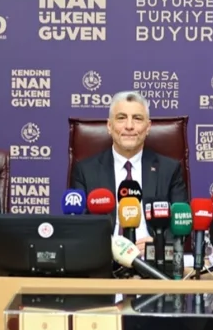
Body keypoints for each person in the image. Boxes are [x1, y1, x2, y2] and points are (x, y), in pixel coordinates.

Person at [69, 90, 188, 230]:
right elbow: (80, 227)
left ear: (148, 127)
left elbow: (180, 224)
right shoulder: (85, 171)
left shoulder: (170, 170)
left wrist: (155, 241)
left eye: (137, 118)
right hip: (105, 244)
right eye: (121, 118)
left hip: (152, 244)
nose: (129, 126)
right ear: (109, 126)